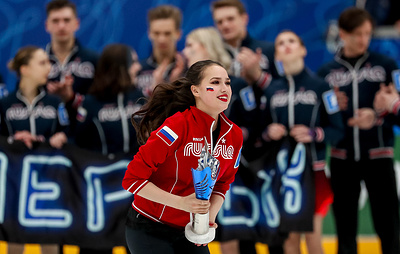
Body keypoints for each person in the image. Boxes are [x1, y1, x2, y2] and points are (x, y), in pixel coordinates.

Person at [122, 60, 243, 254]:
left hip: (188, 230)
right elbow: (132, 180)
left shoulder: (234, 135)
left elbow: (222, 183)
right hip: (148, 226)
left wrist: (207, 220)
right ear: (195, 91)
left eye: (227, 83)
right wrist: (181, 203)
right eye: (215, 82)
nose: (224, 89)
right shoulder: (177, 126)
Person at [317, 7, 400, 254]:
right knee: (345, 230)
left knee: (389, 228)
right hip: (342, 160)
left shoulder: (387, 65)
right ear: (342, 33)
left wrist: (377, 115)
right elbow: (319, 119)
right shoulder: (326, 73)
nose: (364, 40)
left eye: (367, 34)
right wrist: (331, 107)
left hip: (379, 156)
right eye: (357, 34)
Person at [261, 30, 344, 254]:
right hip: (282, 175)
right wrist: (269, 132)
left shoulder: (321, 87)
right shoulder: (270, 90)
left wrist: (314, 134)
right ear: (276, 54)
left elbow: (338, 130)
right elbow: (260, 132)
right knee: (289, 241)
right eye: (280, 43)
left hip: (313, 173)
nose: (286, 46)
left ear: (303, 49)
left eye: (292, 41)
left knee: (313, 239)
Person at [0, 46, 69, 254]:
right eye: (42, 63)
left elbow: (70, 133)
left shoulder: (55, 103)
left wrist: (62, 136)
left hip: (49, 181)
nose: (49, 67)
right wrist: (13, 139)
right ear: (24, 69)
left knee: (49, 240)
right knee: (15, 241)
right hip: (15, 181)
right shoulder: (5, 103)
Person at [74, 43, 144, 159]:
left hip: (138, 172)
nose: (139, 67)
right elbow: (78, 141)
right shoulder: (90, 103)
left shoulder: (140, 98)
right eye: (133, 62)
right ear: (119, 68)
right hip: (105, 172)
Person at [211, 0, 278, 87]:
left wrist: (259, 76)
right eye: (219, 22)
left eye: (230, 19)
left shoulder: (269, 50)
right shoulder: (213, 57)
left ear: (244, 19)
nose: (225, 25)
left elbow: (286, 89)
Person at [45, 0, 98, 107]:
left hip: (85, 122)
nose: (61, 26)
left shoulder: (93, 59)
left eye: (66, 20)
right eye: (55, 21)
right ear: (47, 25)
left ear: (77, 24)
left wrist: (72, 98)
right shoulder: (38, 62)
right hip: (47, 122)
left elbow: (102, 102)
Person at [136, 4, 186, 97]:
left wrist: (175, 86)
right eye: (156, 33)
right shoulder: (138, 70)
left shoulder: (188, 70)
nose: (161, 39)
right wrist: (153, 91)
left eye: (167, 33)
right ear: (149, 33)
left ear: (178, 34)